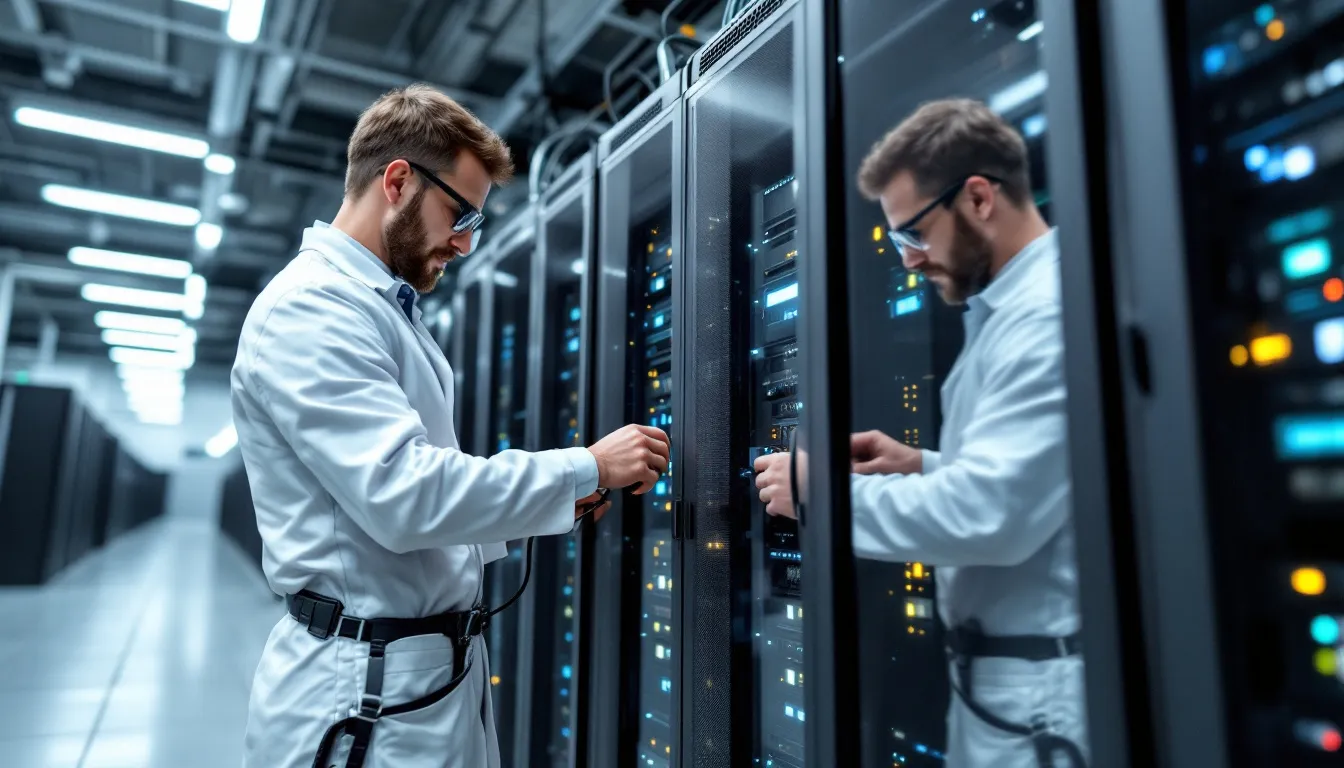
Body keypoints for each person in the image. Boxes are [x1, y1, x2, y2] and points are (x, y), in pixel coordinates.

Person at [231, 84, 670, 768]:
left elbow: (397, 516)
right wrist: (586, 465)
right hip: (367, 693)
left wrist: (536, 507)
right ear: (398, 181)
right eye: (459, 213)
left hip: (419, 674)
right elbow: (403, 496)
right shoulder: (312, 308)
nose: (464, 243)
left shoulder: (378, 307)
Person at [752, 98, 1088, 768]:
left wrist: (818, 495)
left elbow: (994, 516)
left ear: (978, 198)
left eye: (912, 234)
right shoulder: (1006, 310)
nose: (908, 261)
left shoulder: (1046, 314)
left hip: (1040, 695)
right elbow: (1035, 484)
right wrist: (924, 466)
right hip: (1004, 688)